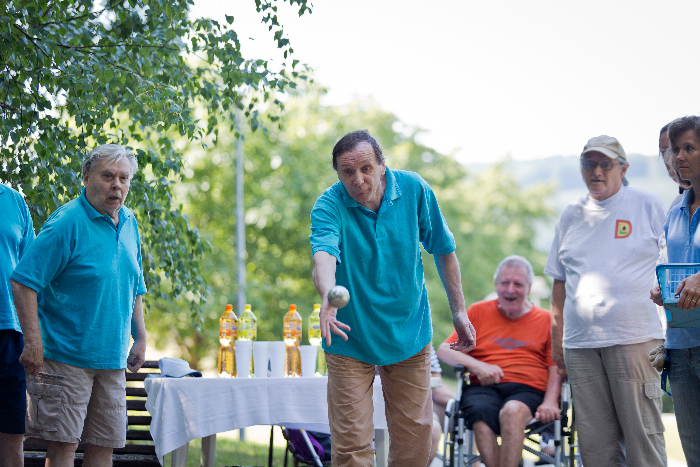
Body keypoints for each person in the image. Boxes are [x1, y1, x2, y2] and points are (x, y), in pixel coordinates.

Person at [309, 130, 476, 467]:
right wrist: (327, 294)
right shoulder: (329, 205)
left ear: (382, 166)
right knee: (352, 445)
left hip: (408, 335)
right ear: (338, 173)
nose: (357, 180)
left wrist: (459, 311)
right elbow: (323, 255)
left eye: (366, 169)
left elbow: (444, 250)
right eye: (347, 172)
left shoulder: (414, 189)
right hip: (349, 337)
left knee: (415, 441)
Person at [10, 144, 148, 466]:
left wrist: (140, 336)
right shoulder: (66, 222)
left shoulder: (129, 222)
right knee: (63, 447)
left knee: (104, 447)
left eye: (124, 178)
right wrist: (33, 342)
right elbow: (24, 281)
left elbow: (135, 286)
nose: (117, 185)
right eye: (108, 176)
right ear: (86, 176)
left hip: (112, 361)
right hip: (66, 359)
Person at [545, 135, 667, 466]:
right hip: (580, 346)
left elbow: (673, 263)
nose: (596, 172)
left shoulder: (648, 204)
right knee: (595, 446)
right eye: (589, 164)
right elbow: (559, 281)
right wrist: (558, 340)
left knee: (643, 440)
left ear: (622, 169)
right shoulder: (571, 214)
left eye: (605, 164)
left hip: (635, 339)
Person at [438, 255, 562, 467]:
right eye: (505, 283)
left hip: (529, 389)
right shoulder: (478, 311)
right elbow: (444, 350)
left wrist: (550, 401)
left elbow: (555, 366)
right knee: (479, 414)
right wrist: (479, 366)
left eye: (518, 284)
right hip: (483, 387)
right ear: (496, 284)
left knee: (512, 410)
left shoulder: (546, 320)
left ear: (529, 288)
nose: (510, 290)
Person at [650, 115, 700, 466]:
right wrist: (662, 289)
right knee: (694, 452)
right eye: (674, 149)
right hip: (681, 346)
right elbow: (673, 268)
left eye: (688, 148)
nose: (677, 156)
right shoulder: (675, 210)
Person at [0, 184, 35, 467]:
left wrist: (35, 337)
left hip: (11, 334)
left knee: (12, 433)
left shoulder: (14, 202)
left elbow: (31, 273)